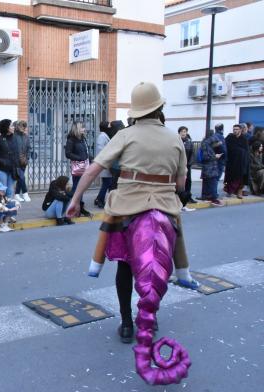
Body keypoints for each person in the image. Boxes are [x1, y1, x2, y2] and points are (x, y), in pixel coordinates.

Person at [66, 82, 198, 342]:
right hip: (164, 206)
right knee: (163, 261)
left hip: (127, 209)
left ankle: (127, 324)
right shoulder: (175, 138)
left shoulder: (125, 135)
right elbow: (181, 184)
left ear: (136, 111)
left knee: (125, 267)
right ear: (159, 107)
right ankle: (153, 311)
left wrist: (76, 198)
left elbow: (93, 169)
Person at [65, 121, 91, 217]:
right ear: (77, 129)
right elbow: (68, 153)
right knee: (77, 187)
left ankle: (78, 207)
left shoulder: (82, 139)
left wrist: (89, 158)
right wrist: (80, 158)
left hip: (85, 165)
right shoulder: (71, 139)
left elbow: (85, 151)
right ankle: (72, 205)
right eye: (82, 128)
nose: (84, 129)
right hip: (77, 167)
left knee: (81, 187)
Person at [0, 119, 19, 198]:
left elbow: (16, 152)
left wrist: (17, 164)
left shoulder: (14, 138)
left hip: (12, 169)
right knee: (2, 191)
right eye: (11, 126)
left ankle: (9, 209)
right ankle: (0, 209)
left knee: (10, 191)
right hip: (1, 169)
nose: (13, 127)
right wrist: (2, 161)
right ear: (6, 128)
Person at [224, 124, 250, 198]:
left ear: (240, 130)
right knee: (231, 177)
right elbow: (226, 147)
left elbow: (246, 150)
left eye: (237, 129)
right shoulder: (229, 138)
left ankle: (239, 191)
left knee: (240, 178)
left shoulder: (244, 139)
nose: (235, 131)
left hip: (240, 162)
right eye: (234, 129)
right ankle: (229, 190)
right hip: (231, 161)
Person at [200, 130, 224, 206]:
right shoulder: (206, 145)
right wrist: (215, 156)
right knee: (212, 182)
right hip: (210, 167)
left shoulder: (206, 144)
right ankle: (213, 198)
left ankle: (206, 196)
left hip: (209, 167)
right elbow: (206, 157)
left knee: (208, 182)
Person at [177, 126, 195, 211]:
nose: (183, 133)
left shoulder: (189, 142)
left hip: (187, 166)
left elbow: (192, 154)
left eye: (185, 131)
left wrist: (189, 164)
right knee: (180, 185)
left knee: (188, 183)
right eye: (182, 132)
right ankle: (178, 203)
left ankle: (186, 200)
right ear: (179, 133)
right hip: (179, 167)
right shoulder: (176, 141)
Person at [94, 121, 112, 209]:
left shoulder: (104, 135)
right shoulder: (102, 136)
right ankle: (99, 200)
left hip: (105, 164)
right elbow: (101, 150)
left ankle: (99, 199)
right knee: (107, 183)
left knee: (106, 183)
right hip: (104, 163)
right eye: (108, 126)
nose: (110, 127)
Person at [13, 120, 31, 202]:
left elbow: (28, 148)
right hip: (16, 161)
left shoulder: (26, 136)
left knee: (20, 178)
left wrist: (27, 158)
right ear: (17, 127)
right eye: (21, 126)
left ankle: (16, 194)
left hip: (23, 161)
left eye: (24, 126)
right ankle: (25, 193)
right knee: (22, 177)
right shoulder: (13, 136)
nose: (23, 128)